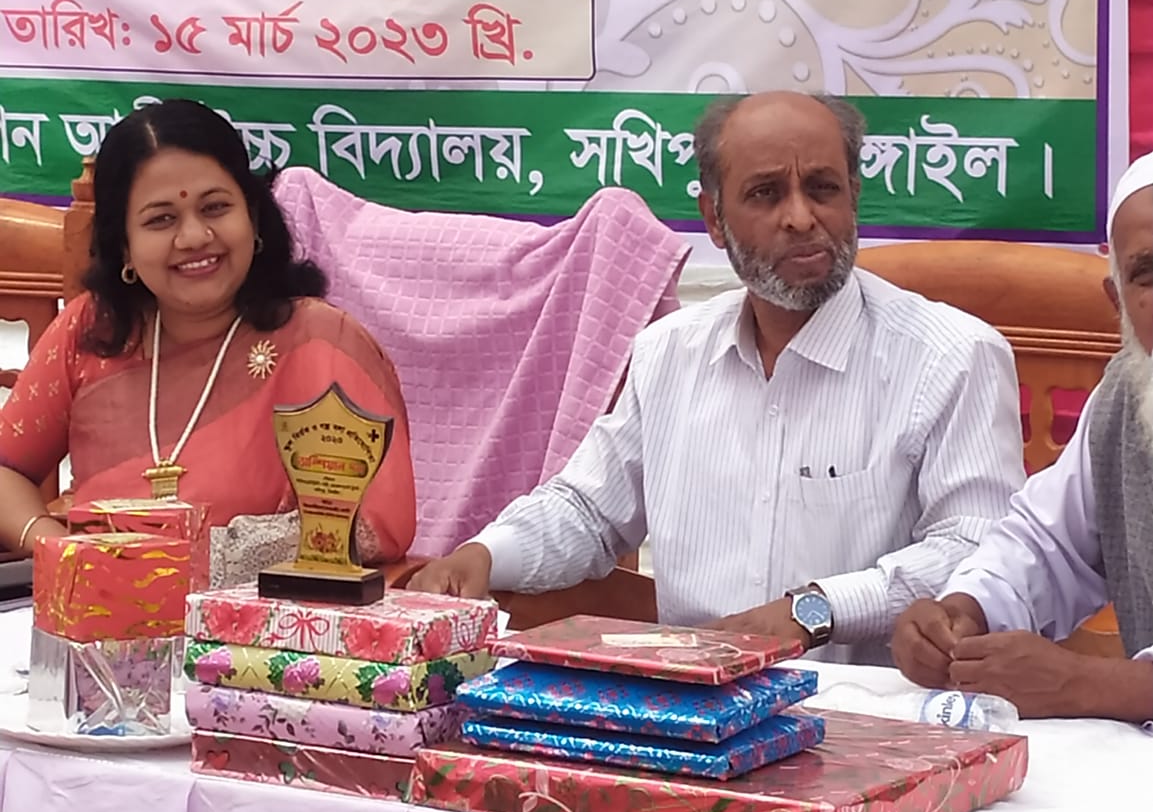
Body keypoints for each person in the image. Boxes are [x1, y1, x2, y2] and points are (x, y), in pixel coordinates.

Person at [409, 92, 1025, 664]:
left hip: (867, 713)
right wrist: (485, 554)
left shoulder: (951, 356)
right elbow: (589, 511)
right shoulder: (669, 352)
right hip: (692, 704)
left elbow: (975, 550)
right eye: (766, 194)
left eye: (822, 188)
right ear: (713, 218)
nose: (801, 218)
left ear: (854, 198)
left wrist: (813, 611)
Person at [0, 100, 415, 579]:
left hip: (257, 614)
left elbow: (376, 525)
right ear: (124, 246)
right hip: (96, 603)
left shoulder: (320, 343)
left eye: (215, 207)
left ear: (253, 218)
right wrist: (54, 546)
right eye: (161, 219)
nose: (195, 237)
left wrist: (187, 560)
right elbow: (8, 469)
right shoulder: (94, 330)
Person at [892, 154, 1153, 720]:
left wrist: (1091, 684)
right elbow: (1046, 544)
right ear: (1119, 302)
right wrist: (966, 611)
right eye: (1148, 274)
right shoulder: (1128, 396)